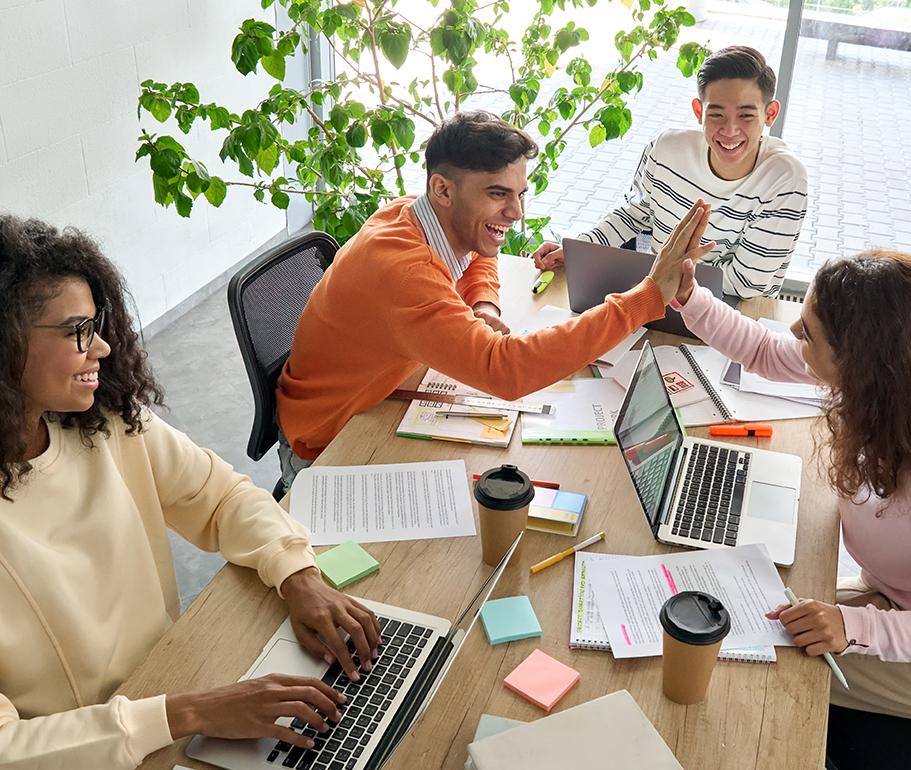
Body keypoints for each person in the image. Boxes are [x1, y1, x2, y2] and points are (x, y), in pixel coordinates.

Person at [0, 215, 383, 768]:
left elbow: (223, 497)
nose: (103, 347)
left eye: (98, 324)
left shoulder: (101, 424)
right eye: (79, 330)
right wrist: (191, 713)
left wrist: (298, 573)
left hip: (172, 690)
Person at [672, 249, 911, 718]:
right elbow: (762, 350)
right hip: (896, 600)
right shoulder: (884, 391)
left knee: (743, 661)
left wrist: (854, 625)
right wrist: (689, 297)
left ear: (860, 361)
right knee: (738, 616)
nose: (794, 333)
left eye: (809, 331)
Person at [276, 110, 713, 482]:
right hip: (327, 446)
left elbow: (476, 250)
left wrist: (482, 303)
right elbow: (506, 371)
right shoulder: (403, 271)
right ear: (442, 190)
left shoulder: (414, 213)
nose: (516, 213)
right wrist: (646, 297)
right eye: (498, 194)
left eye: (520, 194)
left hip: (380, 398)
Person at [533, 45, 808, 300]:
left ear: (770, 114)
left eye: (746, 115)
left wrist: (662, 275)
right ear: (699, 111)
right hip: (659, 298)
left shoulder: (785, 178)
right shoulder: (666, 148)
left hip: (731, 313)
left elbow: (747, 284)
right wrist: (580, 249)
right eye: (716, 114)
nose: (730, 130)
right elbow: (635, 215)